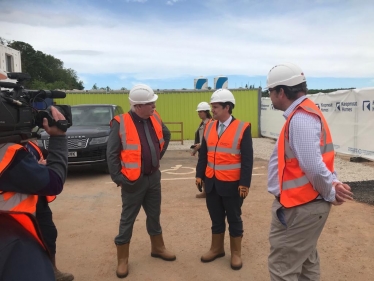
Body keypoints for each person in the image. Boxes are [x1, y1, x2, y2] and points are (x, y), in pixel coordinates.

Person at [266, 62, 354, 280]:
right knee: (306, 260)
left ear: (281, 92)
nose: (270, 96)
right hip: (304, 204)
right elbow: (315, 161)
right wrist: (332, 183)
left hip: (300, 207)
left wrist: (331, 192)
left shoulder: (301, 118)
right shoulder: (304, 114)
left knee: (282, 267)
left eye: (270, 91)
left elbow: (313, 166)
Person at [107, 84, 175, 279]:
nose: (154, 105)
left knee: (154, 214)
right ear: (137, 106)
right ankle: (122, 259)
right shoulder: (120, 122)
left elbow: (166, 135)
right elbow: (111, 153)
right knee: (127, 219)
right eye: (150, 103)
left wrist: (156, 156)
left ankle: (158, 248)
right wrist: (118, 178)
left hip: (153, 177)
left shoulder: (155, 117)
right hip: (132, 181)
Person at [0, 106, 68, 281]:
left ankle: (52, 269)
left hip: (34, 205)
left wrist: (37, 167)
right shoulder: (6, 151)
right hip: (13, 221)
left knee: (48, 235)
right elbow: (54, 182)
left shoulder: (22, 143)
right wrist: (59, 137)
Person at [195, 89, 253, 270]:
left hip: (232, 185)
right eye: (212, 107)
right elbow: (204, 154)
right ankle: (217, 248)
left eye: (216, 107)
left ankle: (236, 253)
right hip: (212, 183)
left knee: (234, 218)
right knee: (216, 218)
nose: (213, 110)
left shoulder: (243, 128)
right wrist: (199, 174)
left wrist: (245, 183)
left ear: (227, 107)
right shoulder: (210, 126)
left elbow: (247, 159)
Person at [24, 140, 74, 281]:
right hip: (15, 207)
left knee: (49, 234)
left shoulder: (29, 144)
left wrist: (42, 167)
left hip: (38, 199)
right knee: (23, 243)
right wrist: (35, 169)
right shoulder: (7, 147)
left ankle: (52, 270)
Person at [191, 101, 213, 198]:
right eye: (198, 112)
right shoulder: (202, 123)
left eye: (200, 111)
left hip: (208, 151)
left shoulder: (211, 123)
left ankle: (208, 191)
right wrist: (195, 149)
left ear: (206, 112)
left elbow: (210, 138)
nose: (199, 113)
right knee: (202, 170)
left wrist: (200, 145)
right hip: (202, 151)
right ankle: (206, 191)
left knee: (205, 171)